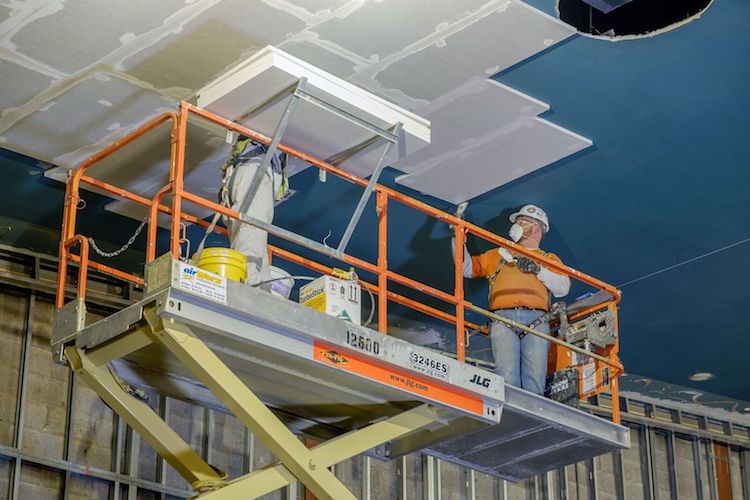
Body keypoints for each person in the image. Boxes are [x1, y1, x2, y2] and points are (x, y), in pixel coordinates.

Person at [456, 204, 570, 394]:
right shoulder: (498, 254)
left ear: (536, 228)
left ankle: (532, 414)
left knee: (535, 378)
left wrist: (538, 269)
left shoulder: (548, 258)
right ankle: (510, 414)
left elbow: (562, 288)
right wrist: (458, 236)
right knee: (506, 376)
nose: (517, 226)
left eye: (522, 222)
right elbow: (466, 268)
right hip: (503, 320)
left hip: (537, 321)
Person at [219, 136, 288, 287]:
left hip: (250, 170)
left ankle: (259, 296)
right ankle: (246, 293)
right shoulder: (264, 132)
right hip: (256, 169)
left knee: (256, 251)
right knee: (250, 241)